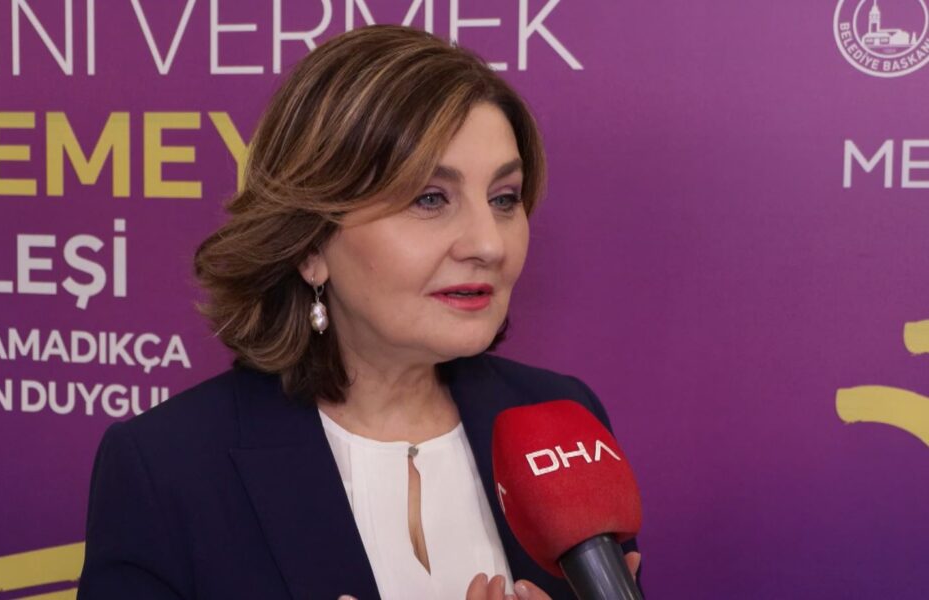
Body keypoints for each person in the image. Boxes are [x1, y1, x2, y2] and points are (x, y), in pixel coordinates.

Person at [77, 25, 641, 600]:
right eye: (429, 199)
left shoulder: (562, 420)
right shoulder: (166, 467)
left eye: (504, 199)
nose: (489, 244)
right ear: (311, 246)